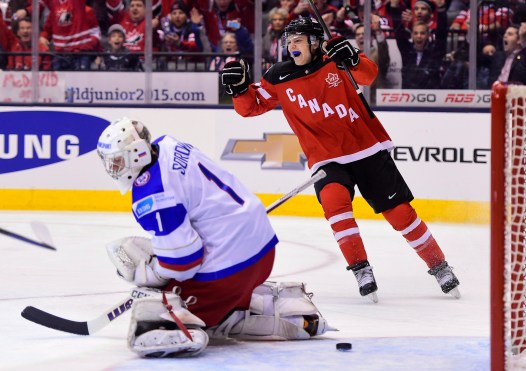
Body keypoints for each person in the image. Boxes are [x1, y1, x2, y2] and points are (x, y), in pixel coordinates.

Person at [220, 17, 460, 302]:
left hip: (367, 150)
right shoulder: (278, 76)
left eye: (298, 40)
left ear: (314, 41)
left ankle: (439, 266)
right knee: (336, 206)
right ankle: (361, 269)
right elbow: (251, 107)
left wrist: (353, 58)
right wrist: (238, 90)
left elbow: (369, 75)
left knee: (400, 215)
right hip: (327, 159)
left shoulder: (336, 60)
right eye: (289, 41)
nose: (291, 46)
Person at [96, 117, 333, 358]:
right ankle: (254, 307)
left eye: (117, 161)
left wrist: (151, 273)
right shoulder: (168, 145)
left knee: (155, 313)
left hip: (234, 269)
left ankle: (211, 320)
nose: (113, 169)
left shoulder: (152, 194)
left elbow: (183, 263)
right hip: (262, 250)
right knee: (178, 285)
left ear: (136, 153)